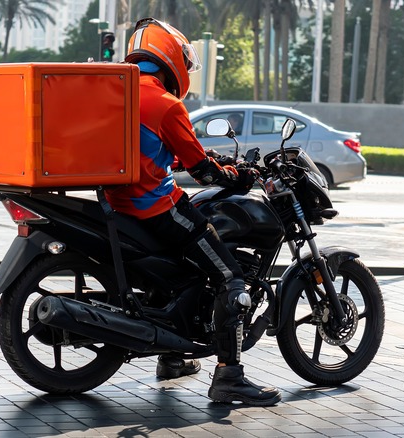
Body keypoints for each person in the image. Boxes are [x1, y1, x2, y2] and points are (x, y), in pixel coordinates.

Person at [104, 17, 281, 406]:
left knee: (185, 272)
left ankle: (173, 358)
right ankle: (229, 378)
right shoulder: (166, 104)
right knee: (230, 278)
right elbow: (203, 173)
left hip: (120, 205)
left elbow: (156, 151)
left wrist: (208, 160)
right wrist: (236, 176)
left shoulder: (118, 91)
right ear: (171, 58)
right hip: (157, 208)